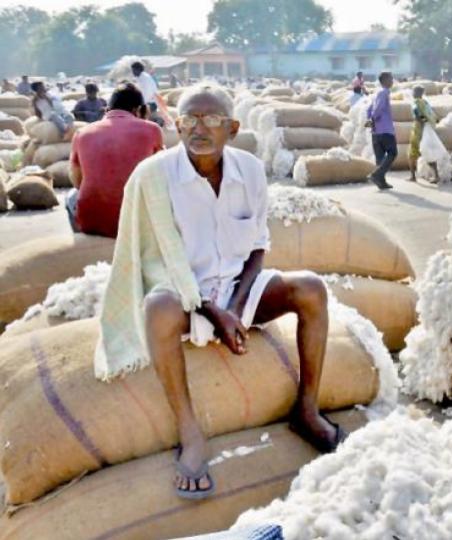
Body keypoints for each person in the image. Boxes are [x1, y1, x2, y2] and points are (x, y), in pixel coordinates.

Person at [95, 85, 346, 500]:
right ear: (177, 126)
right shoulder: (153, 177)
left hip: (236, 288)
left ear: (232, 128)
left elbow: (258, 247)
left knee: (311, 288)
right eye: (189, 119)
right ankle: (190, 433)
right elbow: (157, 263)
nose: (199, 128)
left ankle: (307, 410)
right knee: (157, 308)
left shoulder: (250, 170)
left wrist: (236, 305)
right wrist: (214, 312)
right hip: (181, 292)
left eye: (211, 119)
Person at [67, 83, 162, 237]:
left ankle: (85, 240)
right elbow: (162, 174)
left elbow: (76, 180)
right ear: (139, 109)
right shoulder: (152, 129)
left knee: (71, 196)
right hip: (139, 222)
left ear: (107, 110)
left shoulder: (81, 133)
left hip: (94, 222)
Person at [365, 71, 396, 190]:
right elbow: (378, 109)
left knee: (380, 157)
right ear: (385, 80)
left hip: (376, 131)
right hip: (385, 129)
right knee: (393, 153)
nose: (392, 81)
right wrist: (374, 119)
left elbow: (369, 110)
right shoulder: (384, 92)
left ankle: (381, 182)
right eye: (391, 79)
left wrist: (371, 121)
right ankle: (376, 175)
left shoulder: (376, 94)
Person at [408, 86, 439, 182]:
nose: (412, 94)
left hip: (418, 130)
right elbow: (434, 117)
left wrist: (422, 121)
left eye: (413, 92)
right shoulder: (426, 103)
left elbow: (417, 114)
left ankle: (413, 176)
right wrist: (428, 123)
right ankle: (436, 176)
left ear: (416, 93)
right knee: (428, 152)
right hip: (427, 131)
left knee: (412, 154)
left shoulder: (415, 102)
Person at [132, 61, 164, 127]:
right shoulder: (141, 77)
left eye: (133, 70)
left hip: (150, 103)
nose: (132, 72)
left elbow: (147, 95)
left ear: (138, 69)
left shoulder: (144, 78)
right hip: (148, 102)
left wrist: (139, 105)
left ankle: (156, 121)